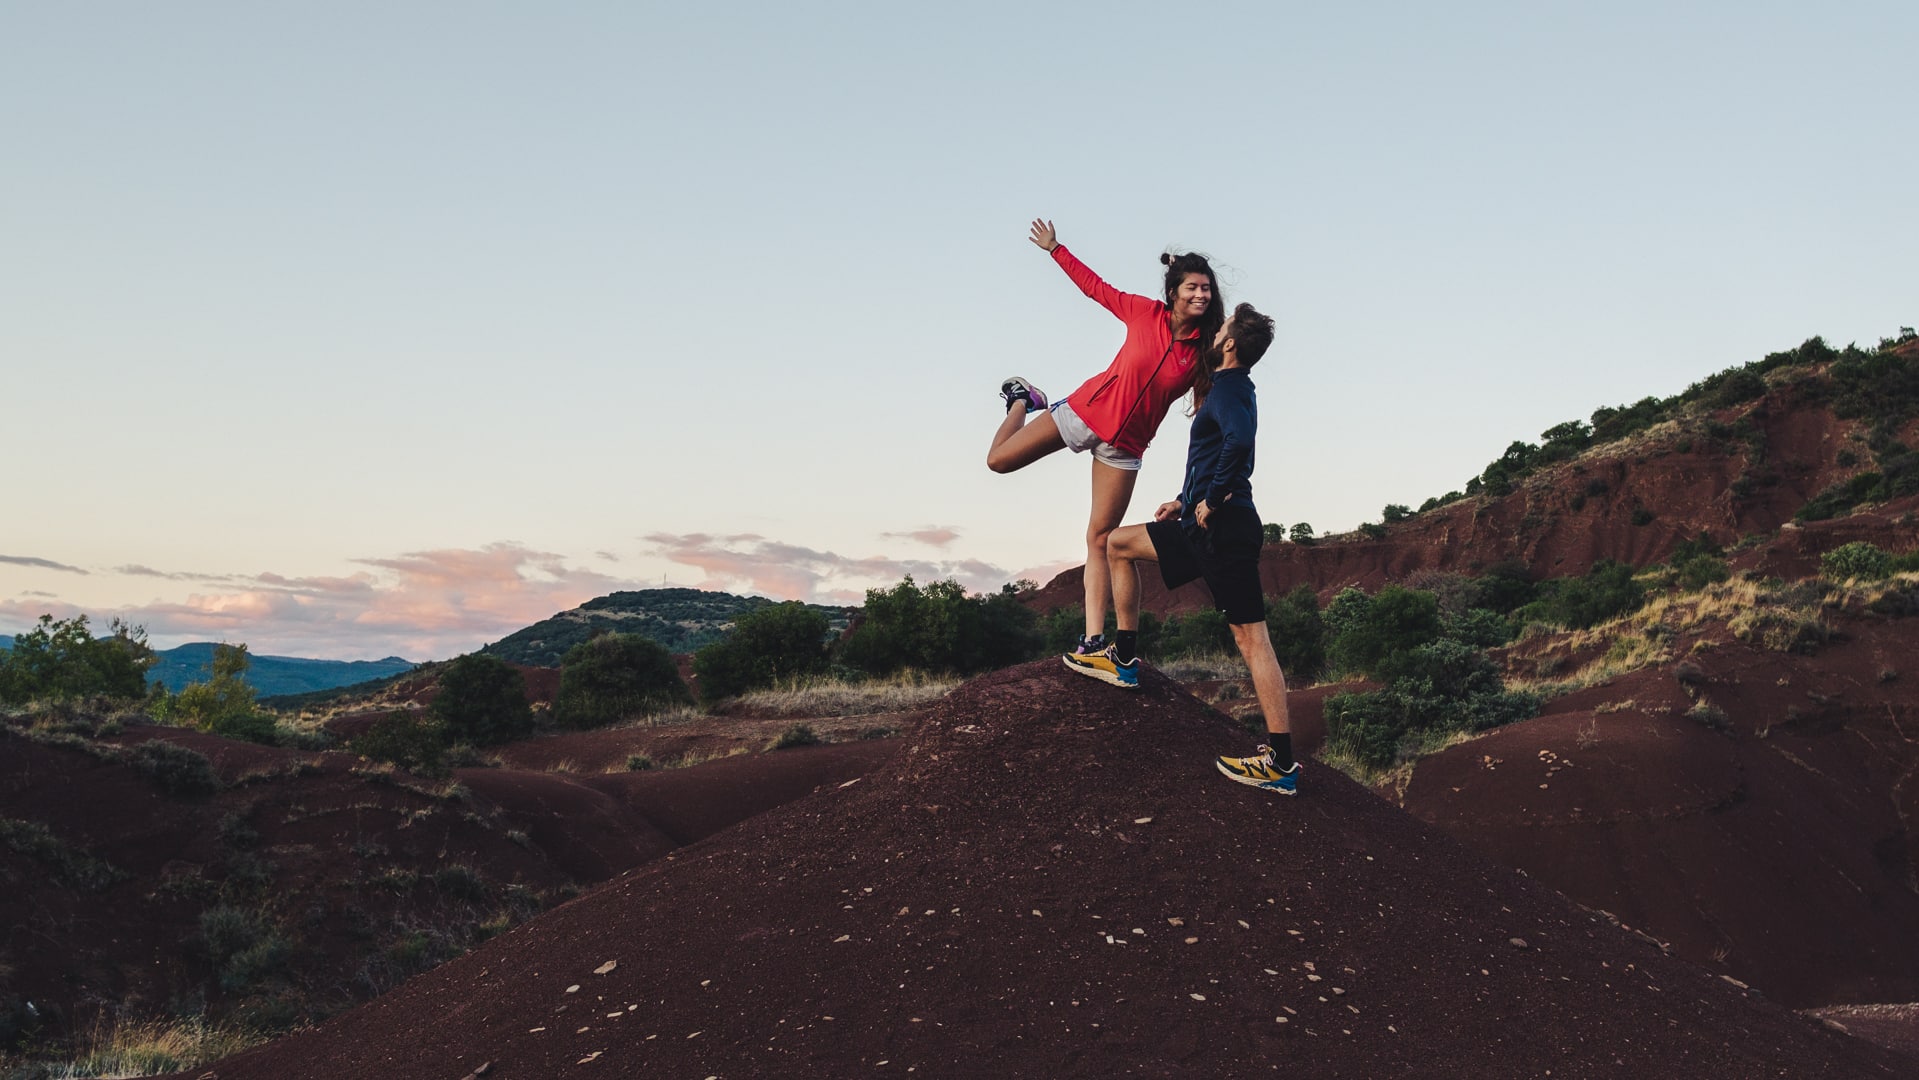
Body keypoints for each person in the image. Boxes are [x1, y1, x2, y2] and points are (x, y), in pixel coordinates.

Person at [1064, 302, 1301, 796]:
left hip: (1225, 528)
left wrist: (1211, 499)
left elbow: (1239, 442)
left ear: (1230, 344)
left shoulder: (1231, 390)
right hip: (1203, 524)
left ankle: (1280, 763)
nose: (1214, 334)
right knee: (1117, 544)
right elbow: (1219, 450)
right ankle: (1122, 659)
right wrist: (1185, 500)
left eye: (1223, 331)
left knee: (1251, 638)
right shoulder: (1232, 388)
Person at [988, 219, 1225, 658]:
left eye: (1206, 289)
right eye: (1192, 287)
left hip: (1124, 448)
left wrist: (1190, 493)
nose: (1200, 295)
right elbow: (1095, 288)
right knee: (998, 461)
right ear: (1173, 292)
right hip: (1083, 412)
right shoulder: (1142, 312)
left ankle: (1093, 639)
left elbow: (1207, 425)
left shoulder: (1204, 351)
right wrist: (1056, 249)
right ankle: (1023, 399)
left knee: (1101, 538)